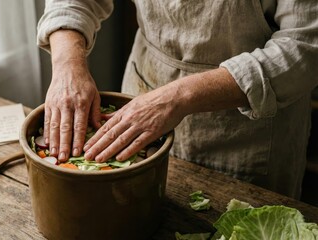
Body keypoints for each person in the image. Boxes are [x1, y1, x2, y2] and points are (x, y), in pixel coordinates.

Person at [36, 0, 318, 199]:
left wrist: (177, 96)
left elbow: (304, 48)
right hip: (147, 79)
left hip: (247, 127)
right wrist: (67, 65)